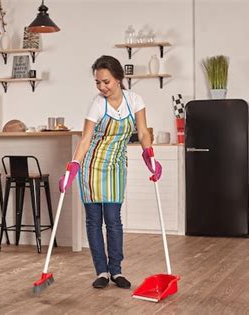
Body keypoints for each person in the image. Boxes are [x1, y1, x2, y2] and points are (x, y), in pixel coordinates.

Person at [59, 55, 162, 289]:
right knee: (94, 221)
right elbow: (86, 139)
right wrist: (73, 166)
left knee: (114, 221)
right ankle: (102, 272)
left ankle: (116, 271)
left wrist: (149, 156)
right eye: (98, 83)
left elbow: (144, 132)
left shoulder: (134, 100)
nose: (102, 87)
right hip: (91, 167)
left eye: (106, 81)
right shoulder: (97, 104)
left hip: (116, 166)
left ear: (118, 78)